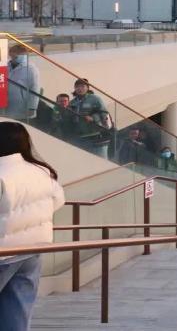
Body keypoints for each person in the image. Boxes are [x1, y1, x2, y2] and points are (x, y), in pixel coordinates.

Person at [0, 121, 66, 331]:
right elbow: (58, 201)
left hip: (3, 252)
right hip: (32, 250)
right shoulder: (41, 171)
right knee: (17, 311)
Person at [68, 78, 113, 159]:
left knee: (99, 161)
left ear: (87, 88)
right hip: (79, 138)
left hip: (95, 136)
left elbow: (104, 114)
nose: (80, 89)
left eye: (82, 86)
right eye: (77, 87)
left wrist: (93, 118)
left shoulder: (95, 99)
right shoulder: (72, 102)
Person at [4, 45, 40, 122]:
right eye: (15, 53)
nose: (16, 55)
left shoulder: (31, 69)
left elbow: (35, 89)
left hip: (23, 109)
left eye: (21, 53)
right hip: (7, 107)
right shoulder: (5, 67)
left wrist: (32, 107)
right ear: (10, 54)